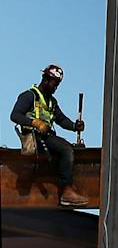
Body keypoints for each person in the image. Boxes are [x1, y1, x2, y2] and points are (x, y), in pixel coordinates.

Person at [10, 63, 89, 206]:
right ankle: (66, 191)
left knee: (71, 149)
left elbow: (61, 119)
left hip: (46, 138)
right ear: (46, 80)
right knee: (66, 149)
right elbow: (15, 115)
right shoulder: (30, 96)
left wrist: (74, 126)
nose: (55, 88)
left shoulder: (52, 102)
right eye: (54, 84)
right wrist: (36, 123)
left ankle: (68, 183)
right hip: (35, 138)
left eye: (57, 85)